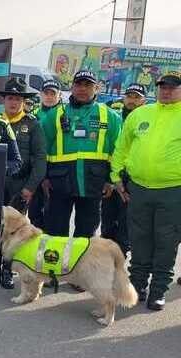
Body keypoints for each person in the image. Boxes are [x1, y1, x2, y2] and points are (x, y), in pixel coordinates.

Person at [110, 71, 181, 310]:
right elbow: (122, 147)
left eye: (173, 87)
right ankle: (137, 285)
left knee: (166, 241)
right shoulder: (140, 114)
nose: (167, 91)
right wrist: (116, 176)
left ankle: (159, 290)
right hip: (138, 190)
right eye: (163, 86)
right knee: (139, 240)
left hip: (173, 191)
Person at [39, 70, 122, 238]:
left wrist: (110, 180)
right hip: (59, 184)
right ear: (72, 87)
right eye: (79, 84)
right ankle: (55, 265)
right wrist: (44, 178)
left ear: (97, 88)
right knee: (55, 232)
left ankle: (80, 265)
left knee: (86, 235)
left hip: (93, 185)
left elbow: (119, 152)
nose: (82, 89)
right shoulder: (55, 115)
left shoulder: (110, 116)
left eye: (88, 85)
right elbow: (42, 149)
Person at [0, 77, 47, 289]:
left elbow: (40, 158)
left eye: (18, 98)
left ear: (24, 101)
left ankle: (6, 271)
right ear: (4, 100)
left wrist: (30, 187)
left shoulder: (33, 125)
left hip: (19, 187)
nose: (13, 102)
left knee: (12, 233)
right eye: (10, 98)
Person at [101, 83, 147, 256]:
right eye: (130, 96)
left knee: (125, 223)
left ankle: (119, 260)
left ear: (143, 101)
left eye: (136, 97)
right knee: (107, 222)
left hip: (131, 180)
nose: (132, 100)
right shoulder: (114, 118)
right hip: (111, 177)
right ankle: (106, 260)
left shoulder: (146, 121)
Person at [29, 79, 64, 231]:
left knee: (54, 216)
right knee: (34, 214)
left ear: (59, 95)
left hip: (58, 172)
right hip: (36, 171)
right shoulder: (33, 115)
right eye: (46, 93)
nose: (49, 97)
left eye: (53, 93)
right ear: (41, 95)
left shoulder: (65, 115)